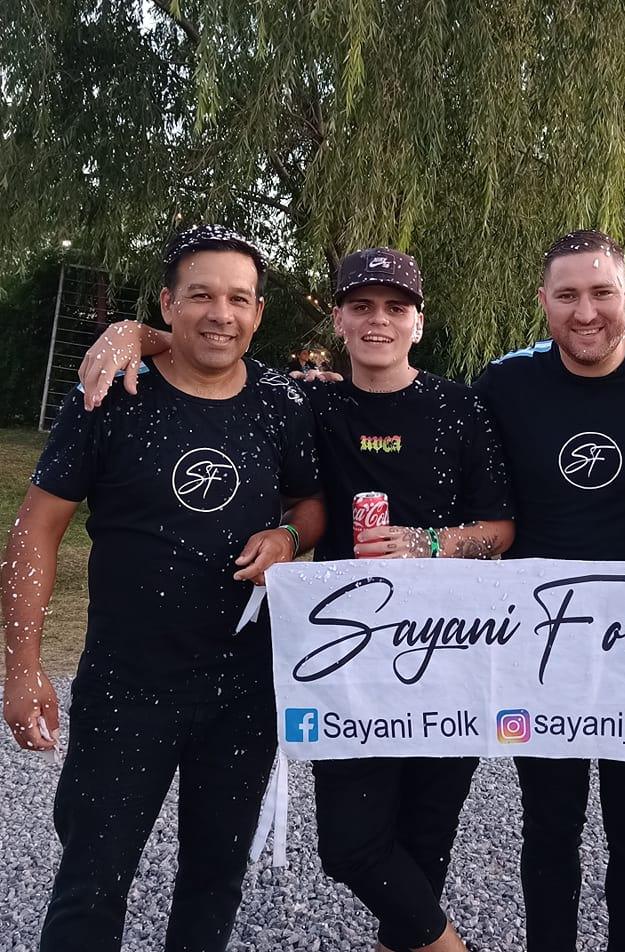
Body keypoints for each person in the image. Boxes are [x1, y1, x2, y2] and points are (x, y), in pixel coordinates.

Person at [77, 245, 515, 952]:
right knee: (350, 846)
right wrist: (135, 332)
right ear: (338, 320)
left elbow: (501, 530)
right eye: (361, 307)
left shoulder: (460, 408)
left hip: (447, 654)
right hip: (349, 658)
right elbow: (216, 348)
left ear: (418, 322)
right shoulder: (307, 401)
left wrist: (429, 544)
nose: (379, 321)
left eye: (395, 308)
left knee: (427, 836)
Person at [1, 224, 325, 952]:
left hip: (244, 689)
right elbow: (35, 529)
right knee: (91, 881)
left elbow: (312, 504)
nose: (221, 314)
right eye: (201, 295)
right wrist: (21, 666)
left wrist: (288, 537)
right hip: (128, 685)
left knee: (214, 881)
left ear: (259, 312)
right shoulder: (111, 395)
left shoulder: (282, 402)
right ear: (167, 304)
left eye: (238, 299)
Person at [472, 229, 625, 952]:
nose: (586, 313)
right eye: (567, 296)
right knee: (549, 829)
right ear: (543, 302)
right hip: (541, 648)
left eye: (601, 293)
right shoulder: (505, 383)